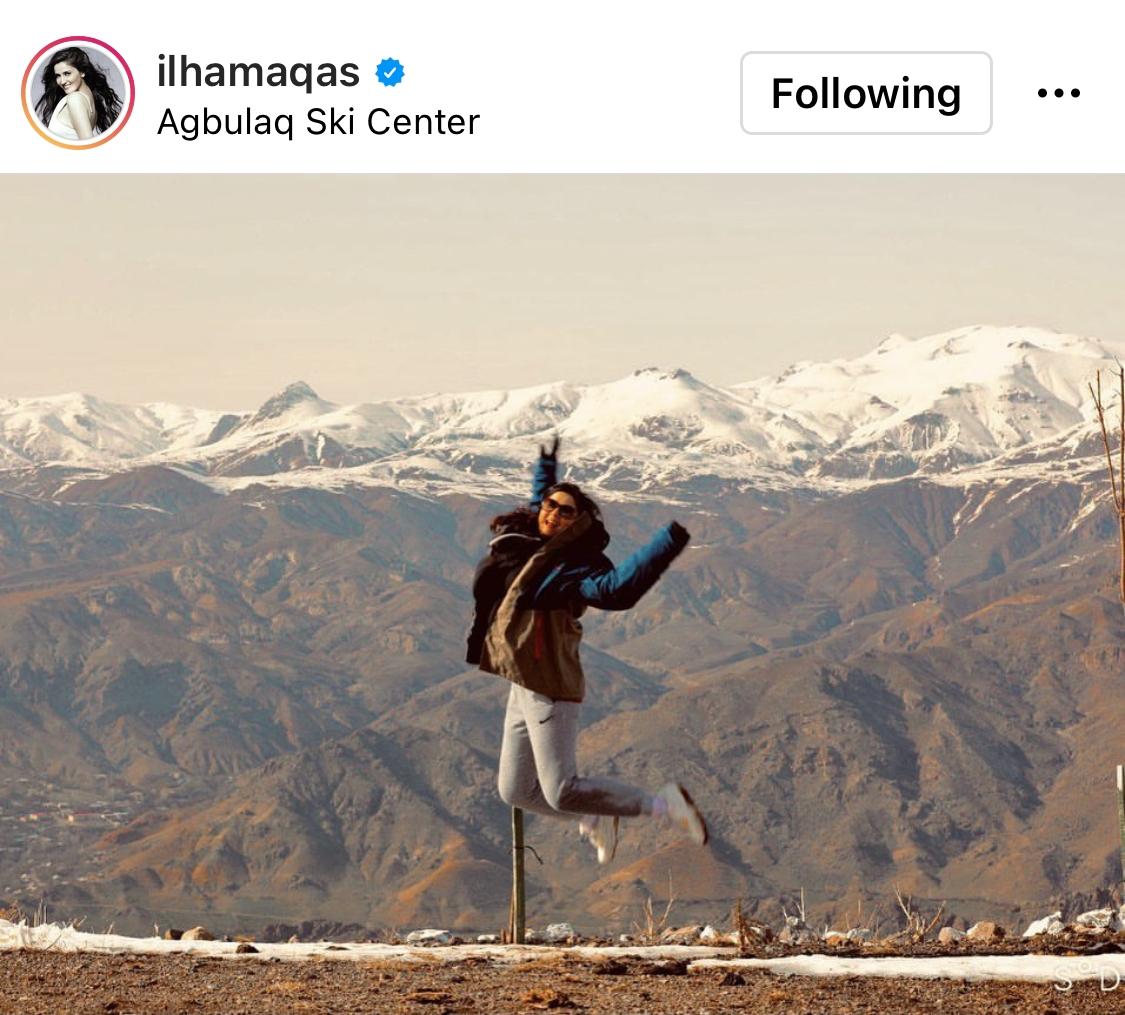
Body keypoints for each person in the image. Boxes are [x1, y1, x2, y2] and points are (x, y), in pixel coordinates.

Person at [471, 437, 707, 864]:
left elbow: (615, 591)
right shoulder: (533, 541)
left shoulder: (573, 567)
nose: (553, 513)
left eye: (566, 511)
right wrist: (546, 465)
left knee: (562, 791)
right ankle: (593, 815)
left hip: (549, 683)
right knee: (515, 790)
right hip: (522, 683)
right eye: (550, 505)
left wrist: (667, 543)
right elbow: (541, 500)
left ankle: (663, 804)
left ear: (578, 522)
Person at [34, 47, 123, 142]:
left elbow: (88, 144)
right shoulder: (90, 99)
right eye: (58, 76)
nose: (62, 81)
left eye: (67, 73)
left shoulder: (75, 99)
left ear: (82, 72)